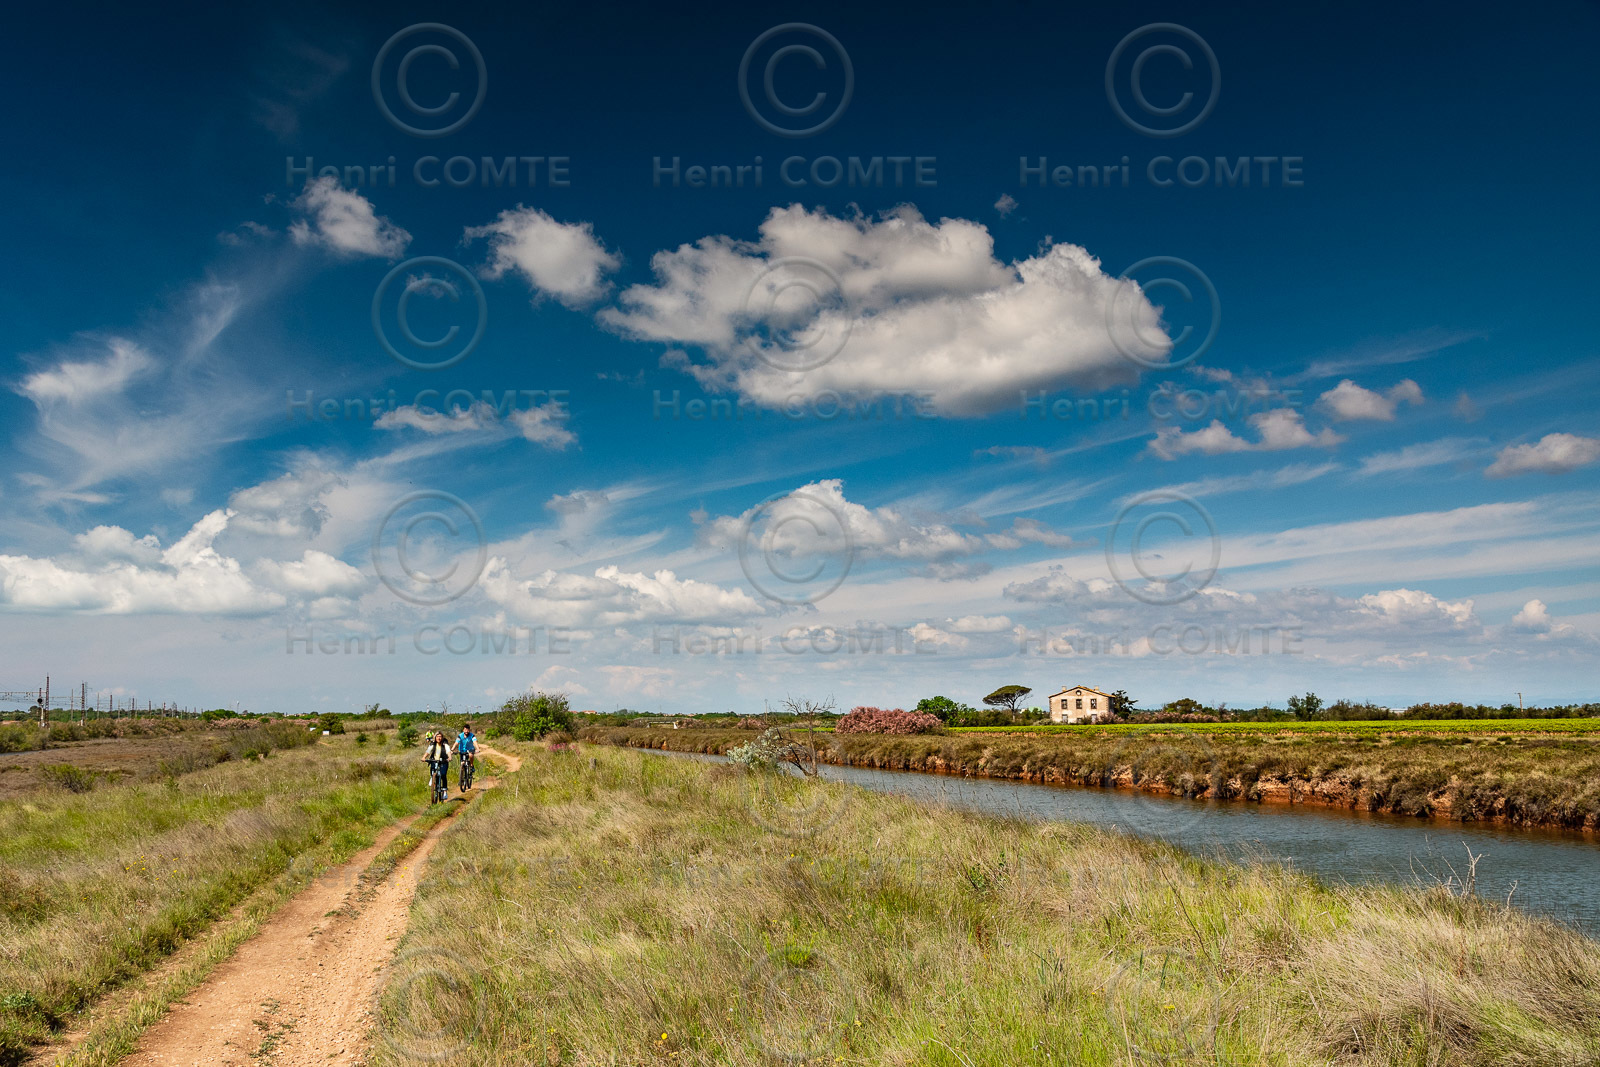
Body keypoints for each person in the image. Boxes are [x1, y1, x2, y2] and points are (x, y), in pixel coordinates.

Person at [422, 731, 450, 799]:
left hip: (443, 761)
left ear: (442, 737)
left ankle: (445, 791)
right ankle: (433, 778)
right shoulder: (433, 744)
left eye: (440, 736)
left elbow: (448, 751)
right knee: (433, 770)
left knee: (443, 774)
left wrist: (449, 757)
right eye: (437, 736)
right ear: (435, 737)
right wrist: (424, 757)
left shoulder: (445, 744)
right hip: (434, 760)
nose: (439, 738)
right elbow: (428, 751)